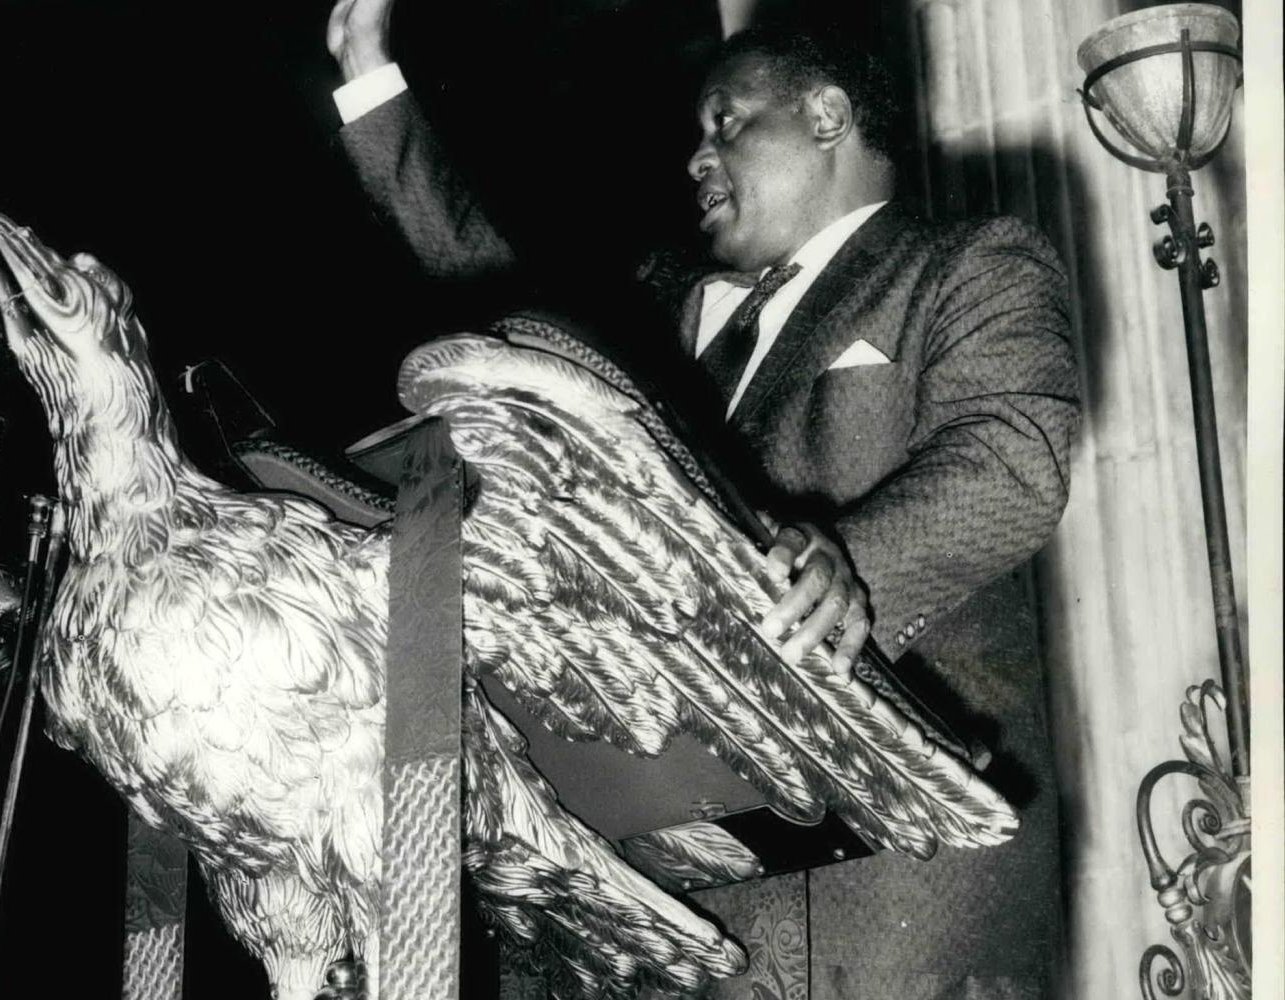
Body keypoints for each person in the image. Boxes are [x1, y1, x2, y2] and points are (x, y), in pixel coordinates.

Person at [326, 3, 1079, 998]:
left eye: (726, 122)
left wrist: (854, 563)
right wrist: (366, 74)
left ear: (825, 114)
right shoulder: (671, 315)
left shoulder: (966, 266)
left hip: (901, 898)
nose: (695, 158)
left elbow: (1011, 456)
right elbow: (487, 278)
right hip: (690, 912)